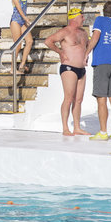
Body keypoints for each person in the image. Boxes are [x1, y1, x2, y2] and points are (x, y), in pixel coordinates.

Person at [44, 8, 91, 136]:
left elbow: (87, 46)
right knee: (69, 98)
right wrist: (60, 52)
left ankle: (77, 127)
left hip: (82, 69)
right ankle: (65, 128)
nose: (83, 19)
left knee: (78, 100)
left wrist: (86, 56)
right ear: (74, 18)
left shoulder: (83, 32)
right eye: (81, 17)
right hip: (69, 68)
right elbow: (48, 41)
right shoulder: (65, 31)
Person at [87, 0, 111, 140]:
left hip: (102, 62)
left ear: (104, 11)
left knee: (101, 100)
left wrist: (86, 53)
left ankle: (103, 132)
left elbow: (95, 37)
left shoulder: (100, 20)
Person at [8, 0, 60, 74]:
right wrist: (26, 18)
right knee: (17, 45)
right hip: (15, 21)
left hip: (22, 21)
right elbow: (19, 9)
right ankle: (12, 69)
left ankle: (22, 64)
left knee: (29, 41)